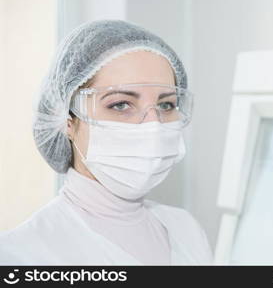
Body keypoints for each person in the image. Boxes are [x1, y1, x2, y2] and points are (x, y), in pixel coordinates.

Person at [0, 19, 213, 265]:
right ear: (68, 120)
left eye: (166, 104)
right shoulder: (20, 254)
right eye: (120, 104)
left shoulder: (187, 230)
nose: (153, 125)